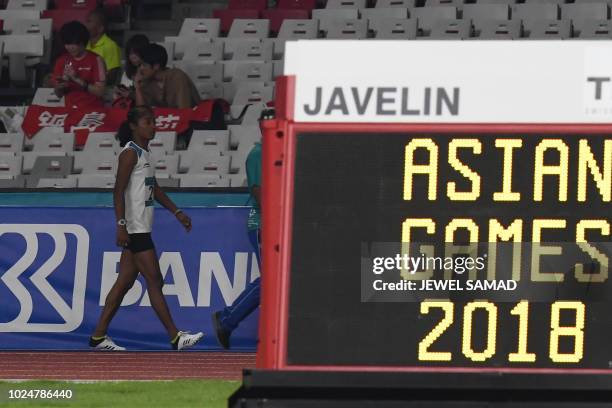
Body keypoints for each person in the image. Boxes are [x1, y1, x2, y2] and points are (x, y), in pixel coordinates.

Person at [90, 105, 204, 351]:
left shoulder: (145, 153)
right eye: (147, 122)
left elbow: (155, 188)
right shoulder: (130, 154)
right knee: (155, 279)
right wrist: (121, 225)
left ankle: (98, 336)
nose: (153, 126)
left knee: (124, 283)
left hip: (140, 226)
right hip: (135, 228)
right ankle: (175, 337)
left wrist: (176, 211)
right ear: (133, 125)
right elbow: (118, 191)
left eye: (153, 121)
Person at [212, 141, 261, 349]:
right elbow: (259, 193)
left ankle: (227, 320)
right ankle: (226, 320)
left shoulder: (283, 150)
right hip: (264, 223)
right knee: (273, 280)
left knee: (283, 280)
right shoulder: (258, 154)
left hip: (278, 224)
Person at [51, 21, 106, 109]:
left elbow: (100, 92)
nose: (70, 47)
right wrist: (60, 87)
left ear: (82, 42)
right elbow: (59, 95)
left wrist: (77, 79)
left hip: (93, 110)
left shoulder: (96, 60)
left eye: (73, 43)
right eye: (67, 44)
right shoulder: (61, 61)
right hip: (70, 110)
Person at [134, 43, 200, 109]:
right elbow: (141, 113)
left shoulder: (177, 76)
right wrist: (137, 88)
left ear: (156, 66)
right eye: (140, 65)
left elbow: (183, 110)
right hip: (165, 118)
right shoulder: (146, 82)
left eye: (144, 65)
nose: (140, 69)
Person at [85, 8, 122, 85]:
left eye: (89, 21)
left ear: (100, 28)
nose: (85, 25)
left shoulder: (110, 45)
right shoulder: (84, 44)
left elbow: (112, 77)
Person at [113, 34, 149, 104]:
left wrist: (131, 94)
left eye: (136, 53)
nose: (132, 57)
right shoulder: (127, 72)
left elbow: (150, 99)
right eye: (130, 53)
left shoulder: (150, 73)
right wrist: (119, 92)